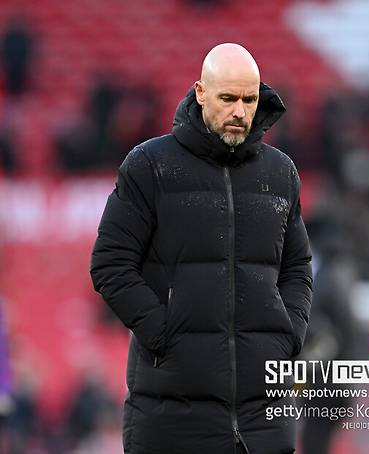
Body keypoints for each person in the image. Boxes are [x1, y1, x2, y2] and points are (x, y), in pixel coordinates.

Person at [90, 43, 313, 454]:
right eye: (228, 98)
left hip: (264, 417)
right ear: (200, 92)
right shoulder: (150, 165)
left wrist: (289, 333)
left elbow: (297, 266)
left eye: (249, 99)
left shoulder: (281, 172)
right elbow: (110, 263)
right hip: (171, 416)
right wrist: (165, 334)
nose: (241, 112)